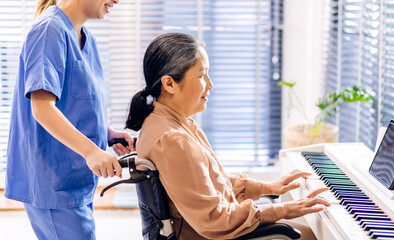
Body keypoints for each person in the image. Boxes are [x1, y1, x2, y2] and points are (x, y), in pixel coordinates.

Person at [125, 32, 331, 240]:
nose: (210, 84)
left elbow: (206, 183)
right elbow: (213, 218)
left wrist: (266, 187)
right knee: (315, 236)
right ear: (169, 84)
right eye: (201, 75)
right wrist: (282, 210)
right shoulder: (172, 140)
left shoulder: (167, 123)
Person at [4, 0, 134, 239]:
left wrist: (106, 133)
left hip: (75, 179)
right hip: (53, 182)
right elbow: (42, 108)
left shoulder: (86, 38)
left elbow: (75, 104)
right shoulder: (48, 30)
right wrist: (91, 152)